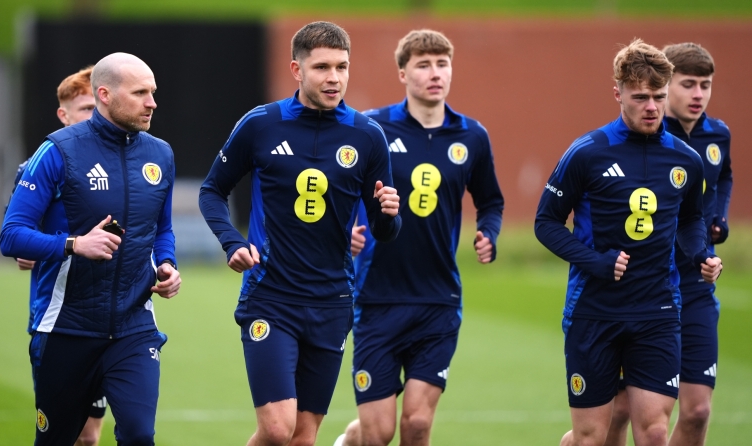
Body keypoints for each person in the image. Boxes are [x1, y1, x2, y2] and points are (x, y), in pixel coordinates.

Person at [199, 21, 401, 446]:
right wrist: (232, 242)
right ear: (297, 69)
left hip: (332, 300)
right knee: (277, 429)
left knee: (303, 438)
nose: (334, 78)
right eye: (322, 67)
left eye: (342, 67)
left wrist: (388, 214)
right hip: (270, 295)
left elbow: (384, 231)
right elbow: (212, 190)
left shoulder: (367, 136)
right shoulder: (261, 124)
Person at [534, 39, 723, 446]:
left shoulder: (685, 160)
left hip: (658, 311)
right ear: (618, 93)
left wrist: (701, 255)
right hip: (594, 312)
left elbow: (691, 219)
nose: (652, 107)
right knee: (590, 437)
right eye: (640, 97)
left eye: (659, 96)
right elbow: (545, 222)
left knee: (654, 433)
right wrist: (596, 262)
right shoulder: (587, 152)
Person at [333, 29, 504, 446]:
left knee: (417, 424)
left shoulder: (472, 136)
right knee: (377, 433)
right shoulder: (372, 127)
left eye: (442, 64)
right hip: (377, 298)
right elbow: (339, 186)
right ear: (402, 74)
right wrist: (344, 231)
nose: (435, 73)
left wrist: (489, 232)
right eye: (423, 65)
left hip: (438, 300)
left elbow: (491, 201)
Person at [0, 52, 181, 445]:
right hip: (67, 329)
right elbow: (11, 235)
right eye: (140, 93)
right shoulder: (58, 151)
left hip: (134, 327)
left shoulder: (160, 154)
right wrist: (74, 244)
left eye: (152, 92)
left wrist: (167, 264)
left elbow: (162, 228)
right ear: (105, 95)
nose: (152, 102)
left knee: (139, 435)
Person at [602, 43, 733, 446]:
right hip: (645, 286)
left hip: (694, 287)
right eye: (688, 84)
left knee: (697, 412)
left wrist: (718, 220)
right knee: (619, 413)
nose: (698, 94)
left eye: (705, 85)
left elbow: (722, 177)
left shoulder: (717, 134)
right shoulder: (645, 135)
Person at [10, 65, 110, 446]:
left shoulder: (122, 164)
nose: (92, 116)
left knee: (91, 435)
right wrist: (30, 252)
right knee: (62, 433)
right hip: (56, 318)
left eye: (96, 108)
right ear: (63, 115)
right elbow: (17, 234)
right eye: (84, 109)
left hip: (109, 317)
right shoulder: (39, 166)